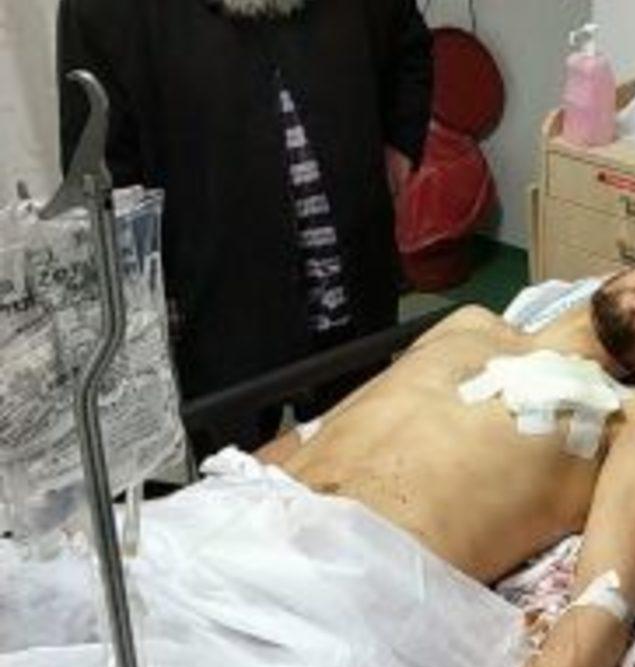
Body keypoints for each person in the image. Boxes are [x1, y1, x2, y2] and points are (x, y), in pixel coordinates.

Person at [246, 243, 635, 667]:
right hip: (240, 519)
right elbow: (319, 429)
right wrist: (217, 492)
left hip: (344, 600)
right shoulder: (468, 323)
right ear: (618, 273)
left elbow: (604, 602)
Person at [56, 0, 433, 452]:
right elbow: (100, 167)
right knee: (230, 479)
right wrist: (147, 301)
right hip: (215, 316)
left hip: (352, 296)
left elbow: (409, 47)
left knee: (367, 461)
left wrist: (401, 145)